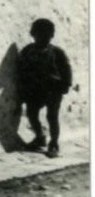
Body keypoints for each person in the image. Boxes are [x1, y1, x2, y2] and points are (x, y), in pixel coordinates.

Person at [18, 17, 73, 158]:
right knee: (31, 113)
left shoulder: (57, 52)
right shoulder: (27, 51)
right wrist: (23, 90)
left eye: (47, 36)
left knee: (52, 117)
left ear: (51, 36)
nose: (43, 38)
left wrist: (64, 86)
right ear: (33, 34)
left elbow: (66, 70)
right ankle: (40, 137)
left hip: (53, 91)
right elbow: (22, 71)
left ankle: (54, 144)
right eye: (39, 35)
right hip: (35, 91)